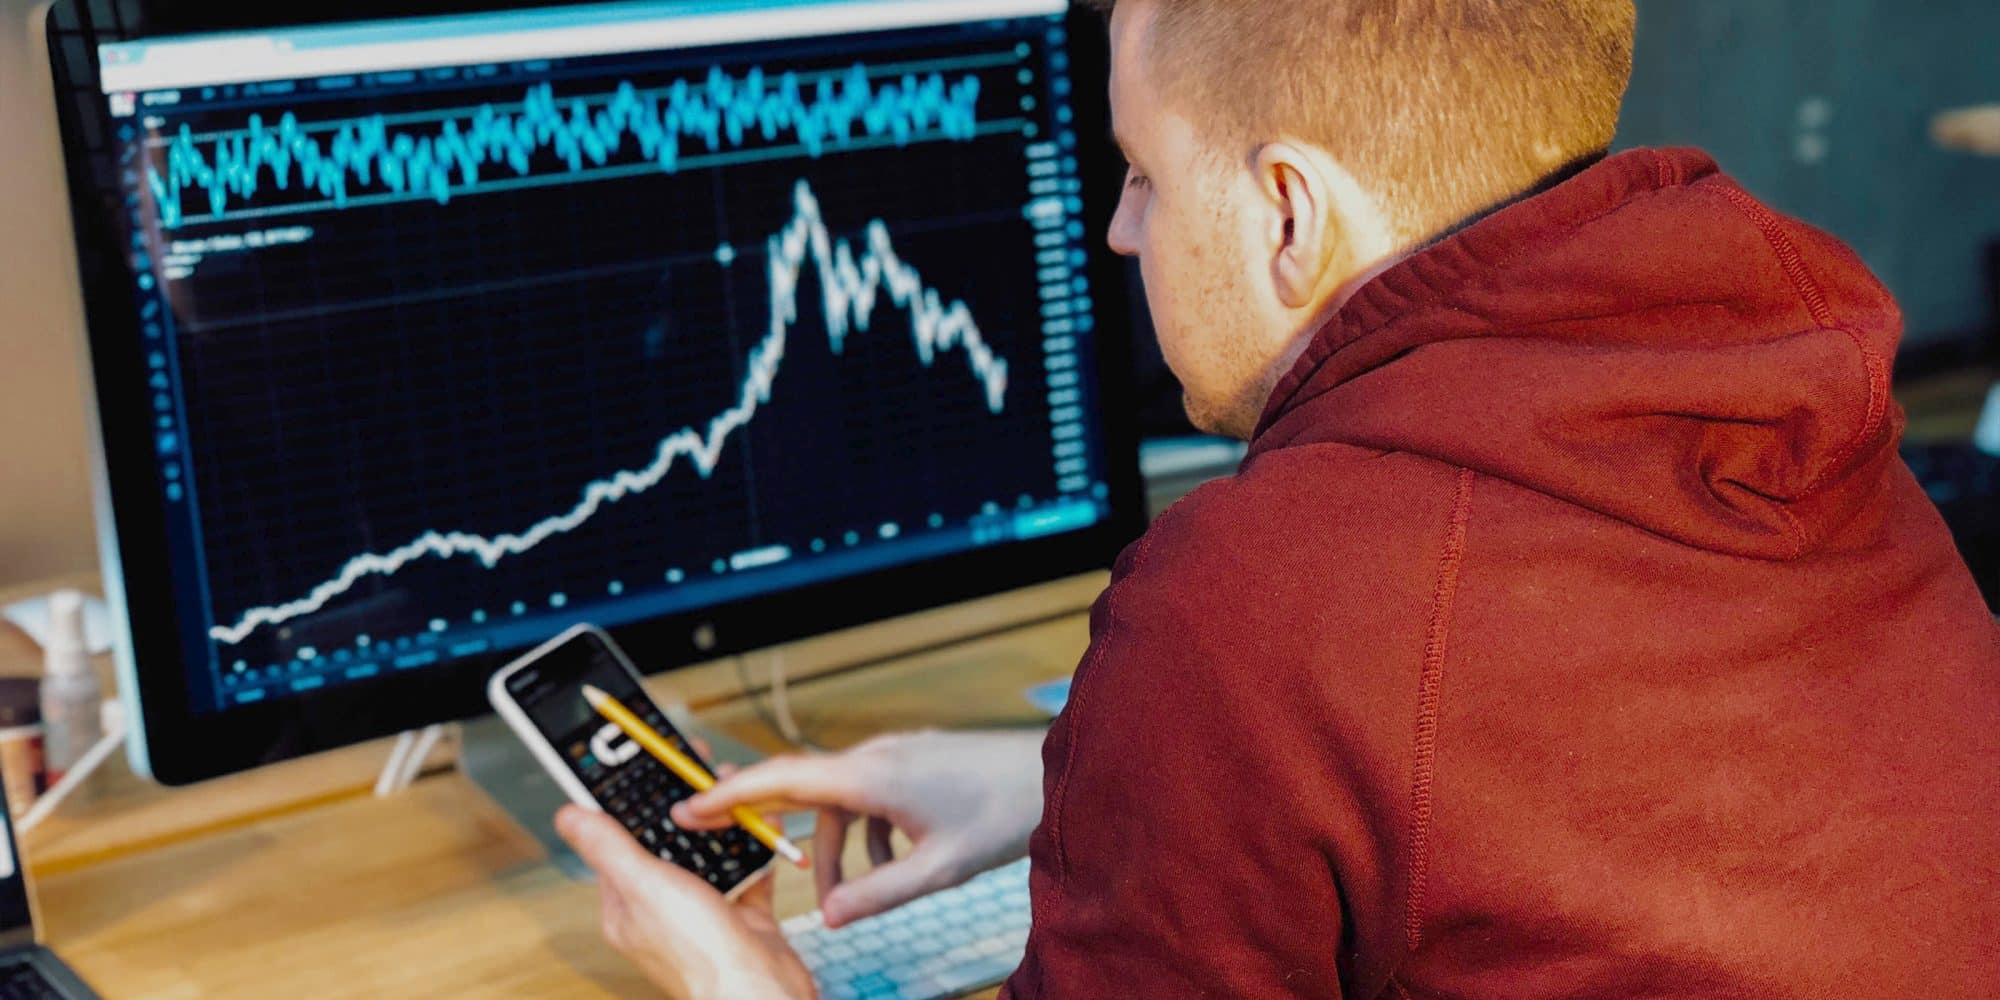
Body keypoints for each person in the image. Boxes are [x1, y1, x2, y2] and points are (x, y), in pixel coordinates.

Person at [554, 0, 2000, 995]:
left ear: (1290, 215)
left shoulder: (1261, 601)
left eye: (1140, 176)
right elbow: (1557, 787)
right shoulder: (1796, 404)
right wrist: (1073, 787)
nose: (1118, 230)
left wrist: (747, 984)